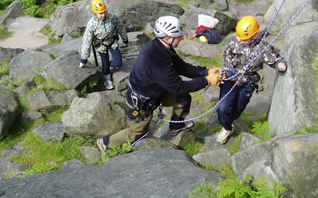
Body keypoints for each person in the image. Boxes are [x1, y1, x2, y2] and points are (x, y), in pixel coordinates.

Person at [96, 15, 223, 152]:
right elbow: (179, 87)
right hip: (141, 105)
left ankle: (176, 127)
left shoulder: (162, 47)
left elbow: (183, 67)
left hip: (156, 93)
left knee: (183, 98)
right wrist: (207, 81)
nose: (182, 38)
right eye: (179, 36)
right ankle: (105, 143)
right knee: (136, 134)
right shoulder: (156, 59)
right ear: (168, 38)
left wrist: (206, 72)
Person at [216, 16, 287, 144]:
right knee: (223, 108)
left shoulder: (263, 48)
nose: (241, 41)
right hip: (231, 79)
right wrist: (231, 70)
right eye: (240, 38)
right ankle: (227, 127)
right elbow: (227, 55)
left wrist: (280, 64)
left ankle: (230, 120)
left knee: (237, 109)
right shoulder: (234, 43)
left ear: (254, 36)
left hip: (248, 82)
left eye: (245, 39)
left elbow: (274, 59)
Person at [79, 0, 128, 90]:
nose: (103, 15)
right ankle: (108, 79)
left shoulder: (112, 17)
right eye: (100, 13)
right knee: (105, 63)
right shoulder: (91, 24)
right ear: (95, 13)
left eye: (104, 12)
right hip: (101, 45)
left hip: (112, 42)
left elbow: (120, 27)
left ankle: (107, 67)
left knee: (118, 62)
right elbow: (87, 41)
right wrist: (84, 58)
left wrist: (124, 38)